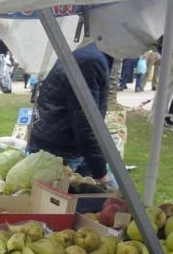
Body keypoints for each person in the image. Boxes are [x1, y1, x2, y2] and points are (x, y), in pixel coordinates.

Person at [28, 41, 111, 182]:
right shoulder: (90, 61)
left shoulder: (86, 54)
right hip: (61, 148)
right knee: (57, 201)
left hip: (60, 141)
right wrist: (100, 172)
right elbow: (85, 121)